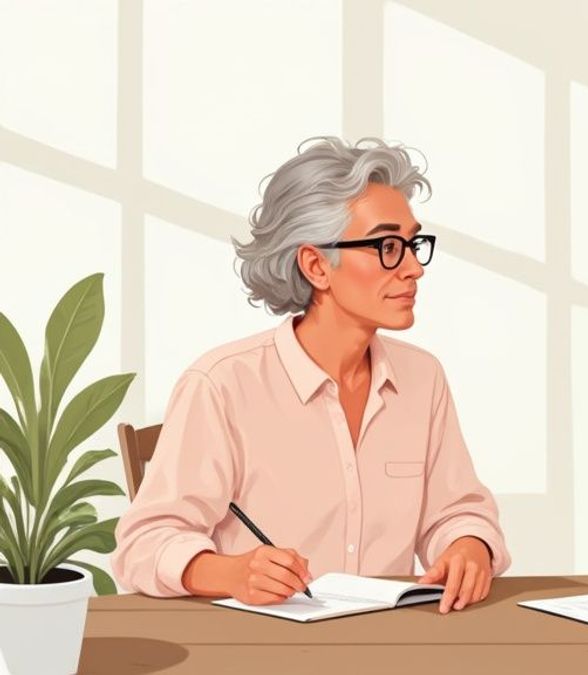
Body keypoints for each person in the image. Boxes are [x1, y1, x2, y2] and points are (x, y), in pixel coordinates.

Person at [114, 137, 509, 613]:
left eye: (411, 244)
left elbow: (456, 511)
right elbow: (143, 543)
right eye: (387, 246)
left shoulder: (422, 378)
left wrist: (469, 545)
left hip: (390, 646)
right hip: (260, 651)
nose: (412, 268)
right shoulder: (221, 385)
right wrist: (233, 572)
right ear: (316, 265)